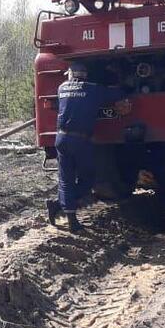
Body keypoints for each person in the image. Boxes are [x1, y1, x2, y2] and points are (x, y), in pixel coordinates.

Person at [46, 62, 131, 231]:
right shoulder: (93, 89)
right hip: (80, 141)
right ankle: (63, 210)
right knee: (88, 179)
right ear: (85, 75)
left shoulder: (61, 88)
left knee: (65, 180)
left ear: (71, 74)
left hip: (61, 138)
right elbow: (118, 93)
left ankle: (64, 210)